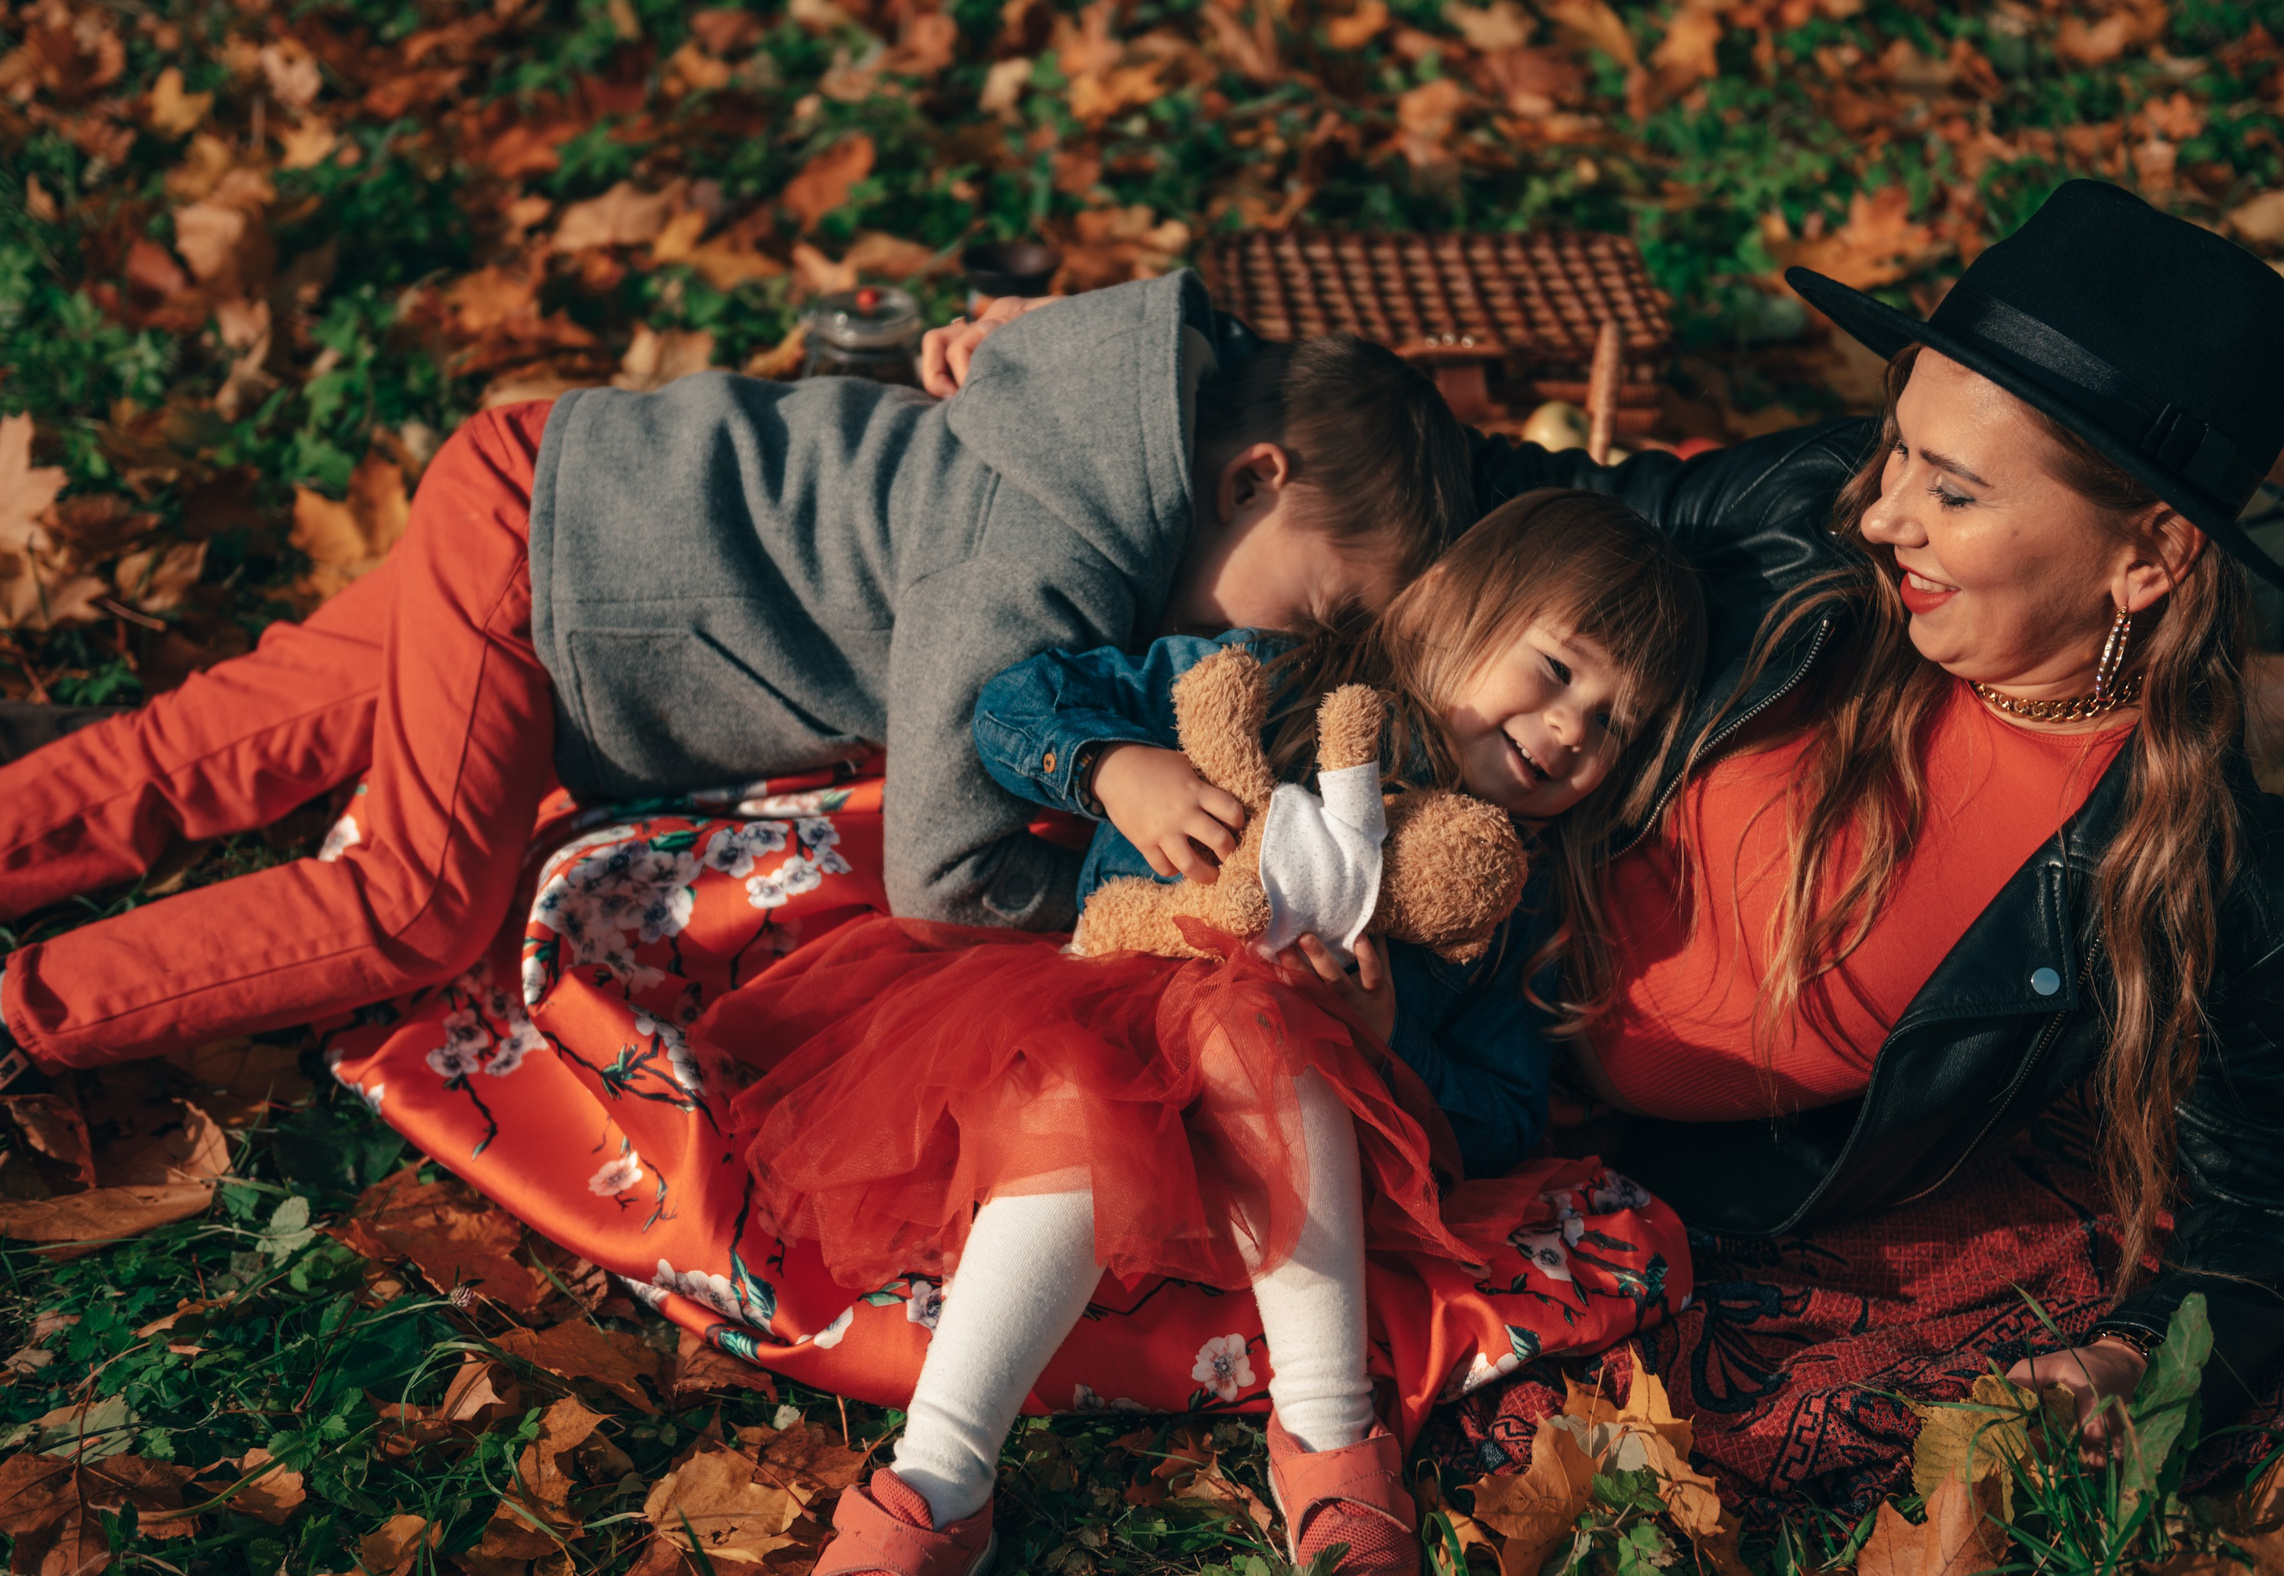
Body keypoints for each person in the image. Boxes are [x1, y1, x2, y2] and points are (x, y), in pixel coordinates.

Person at [939, 184, 2284, 1461]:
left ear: (2153, 555)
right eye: (1897, 455)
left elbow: (2281, 1192)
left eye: (1954, 488)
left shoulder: (2214, 878)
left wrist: (2139, 1359)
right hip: (1359, 916)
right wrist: (1134, 380)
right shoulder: (1802, 520)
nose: (1885, 517)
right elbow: (1501, 486)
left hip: (1482, 1096)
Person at [0, 273, 1474, 1090]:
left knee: (232, 736)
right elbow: (941, 871)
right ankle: (30, 1011)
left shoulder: (1105, 423)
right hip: (552, 573)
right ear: (1249, 478)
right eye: (1322, 604)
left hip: (555, 491)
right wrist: (1129, 903)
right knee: (422, 899)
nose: (1297, 649)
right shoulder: (1040, 550)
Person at [692, 489, 1703, 1576]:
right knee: (1078, 1077)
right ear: (1449, 607)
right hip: (1092, 1072)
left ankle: (1327, 1436)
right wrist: (1114, 766)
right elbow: (1017, 702)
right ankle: (938, 1478)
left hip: (1309, 1157)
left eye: (1615, 723)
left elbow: (1509, 1108)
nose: (1573, 727)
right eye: (1559, 668)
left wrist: (1382, 1044)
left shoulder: (1510, 891)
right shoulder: (1270, 681)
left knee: (1252, 1020)